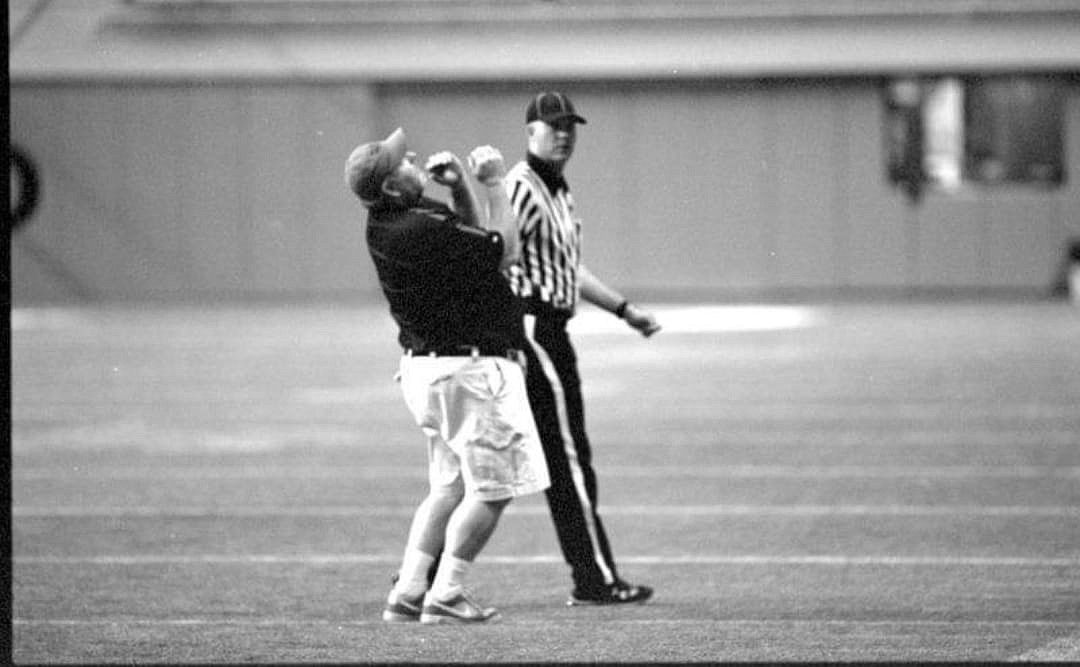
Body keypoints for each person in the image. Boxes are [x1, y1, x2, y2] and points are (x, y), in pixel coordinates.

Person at [344, 128, 550, 624]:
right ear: (393, 187)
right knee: (494, 490)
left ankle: (410, 591)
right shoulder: (416, 226)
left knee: (448, 489)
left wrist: (460, 189)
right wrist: (494, 183)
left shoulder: (397, 220)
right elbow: (505, 251)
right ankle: (448, 589)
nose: (413, 157)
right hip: (468, 372)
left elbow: (473, 241)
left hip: (431, 368)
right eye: (403, 161)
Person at [505, 92, 662, 606]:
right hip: (533, 331)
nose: (564, 134)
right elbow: (492, 256)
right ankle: (595, 580)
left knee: (492, 463)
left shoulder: (558, 190)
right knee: (569, 460)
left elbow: (569, 269)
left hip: (550, 330)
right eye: (553, 127)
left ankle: (419, 577)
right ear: (531, 133)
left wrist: (623, 310)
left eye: (570, 126)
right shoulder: (521, 188)